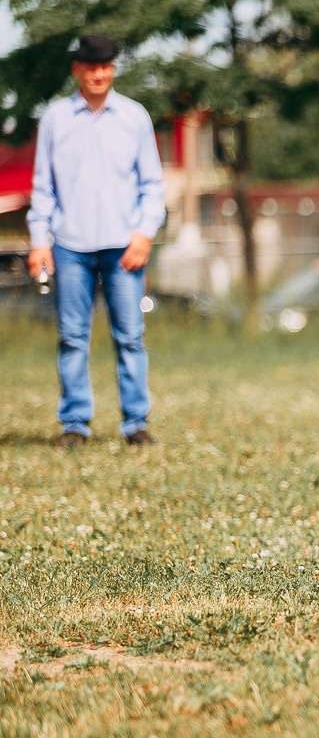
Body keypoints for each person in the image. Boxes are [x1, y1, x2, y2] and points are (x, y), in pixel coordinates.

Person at [27, 33, 167, 449]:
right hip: (70, 245)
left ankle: (136, 423)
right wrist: (40, 241)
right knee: (72, 336)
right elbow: (43, 188)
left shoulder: (134, 116)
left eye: (105, 66)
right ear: (77, 70)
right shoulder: (55, 119)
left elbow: (152, 185)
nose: (98, 74)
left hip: (124, 245)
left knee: (129, 336)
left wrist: (144, 234)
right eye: (91, 66)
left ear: (113, 69)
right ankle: (75, 424)